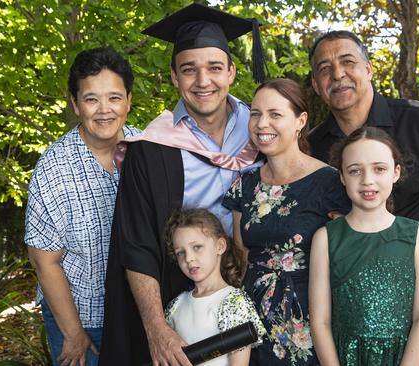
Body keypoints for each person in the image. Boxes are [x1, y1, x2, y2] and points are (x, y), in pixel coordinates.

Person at [98, 3, 267, 365]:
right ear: (174, 77)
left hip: (258, 292)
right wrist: (157, 328)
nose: (203, 81)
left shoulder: (263, 132)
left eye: (214, 68)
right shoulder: (152, 149)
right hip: (183, 295)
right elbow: (137, 244)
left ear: (232, 72)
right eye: (189, 70)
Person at [307, 31, 419, 365]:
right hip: (357, 290)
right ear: (316, 84)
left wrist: (414, 237)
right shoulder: (313, 148)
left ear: (369, 68)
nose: (338, 74)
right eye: (325, 69)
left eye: (348, 62)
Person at [25, 47, 141, 366]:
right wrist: (74, 333)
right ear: (76, 104)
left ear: (129, 101)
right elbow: (44, 261)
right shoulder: (53, 168)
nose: (104, 110)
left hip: (137, 316)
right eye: (91, 99)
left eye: (114, 97)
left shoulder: (146, 151)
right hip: (80, 318)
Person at [222, 78, 351, 365]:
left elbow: (353, 259)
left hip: (307, 321)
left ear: (300, 121)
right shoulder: (245, 184)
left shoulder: (330, 183)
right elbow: (241, 258)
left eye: (275, 114)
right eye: (255, 113)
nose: (261, 123)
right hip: (251, 324)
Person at [309, 127, 419, 365]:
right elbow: (320, 322)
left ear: (396, 172)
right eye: (355, 171)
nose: (368, 180)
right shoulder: (326, 238)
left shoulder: (415, 235)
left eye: (379, 169)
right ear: (342, 177)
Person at [163, 208, 266, 366]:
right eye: (180, 253)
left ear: (220, 246)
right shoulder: (175, 306)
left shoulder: (233, 302)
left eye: (197, 247)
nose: (189, 258)